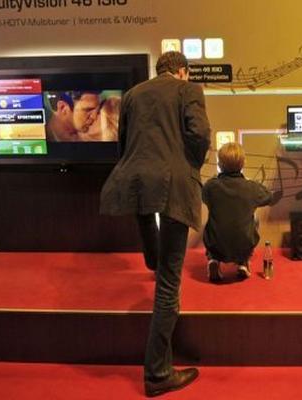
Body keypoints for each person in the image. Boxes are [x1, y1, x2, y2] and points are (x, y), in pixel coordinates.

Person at [99, 51, 210, 397]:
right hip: (173, 184)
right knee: (168, 284)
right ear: (182, 71)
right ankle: (158, 373)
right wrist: (187, 166)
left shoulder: (133, 94)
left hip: (135, 180)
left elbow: (123, 142)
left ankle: (153, 259)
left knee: (149, 228)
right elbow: (200, 135)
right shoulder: (188, 90)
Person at [202, 142, 273, 282]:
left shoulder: (211, 186)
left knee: (213, 222)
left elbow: (204, 197)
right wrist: (249, 182)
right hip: (242, 245)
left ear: (219, 164)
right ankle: (243, 262)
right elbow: (269, 196)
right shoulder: (251, 187)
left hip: (217, 244)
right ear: (243, 163)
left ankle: (213, 259)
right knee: (254, 219)